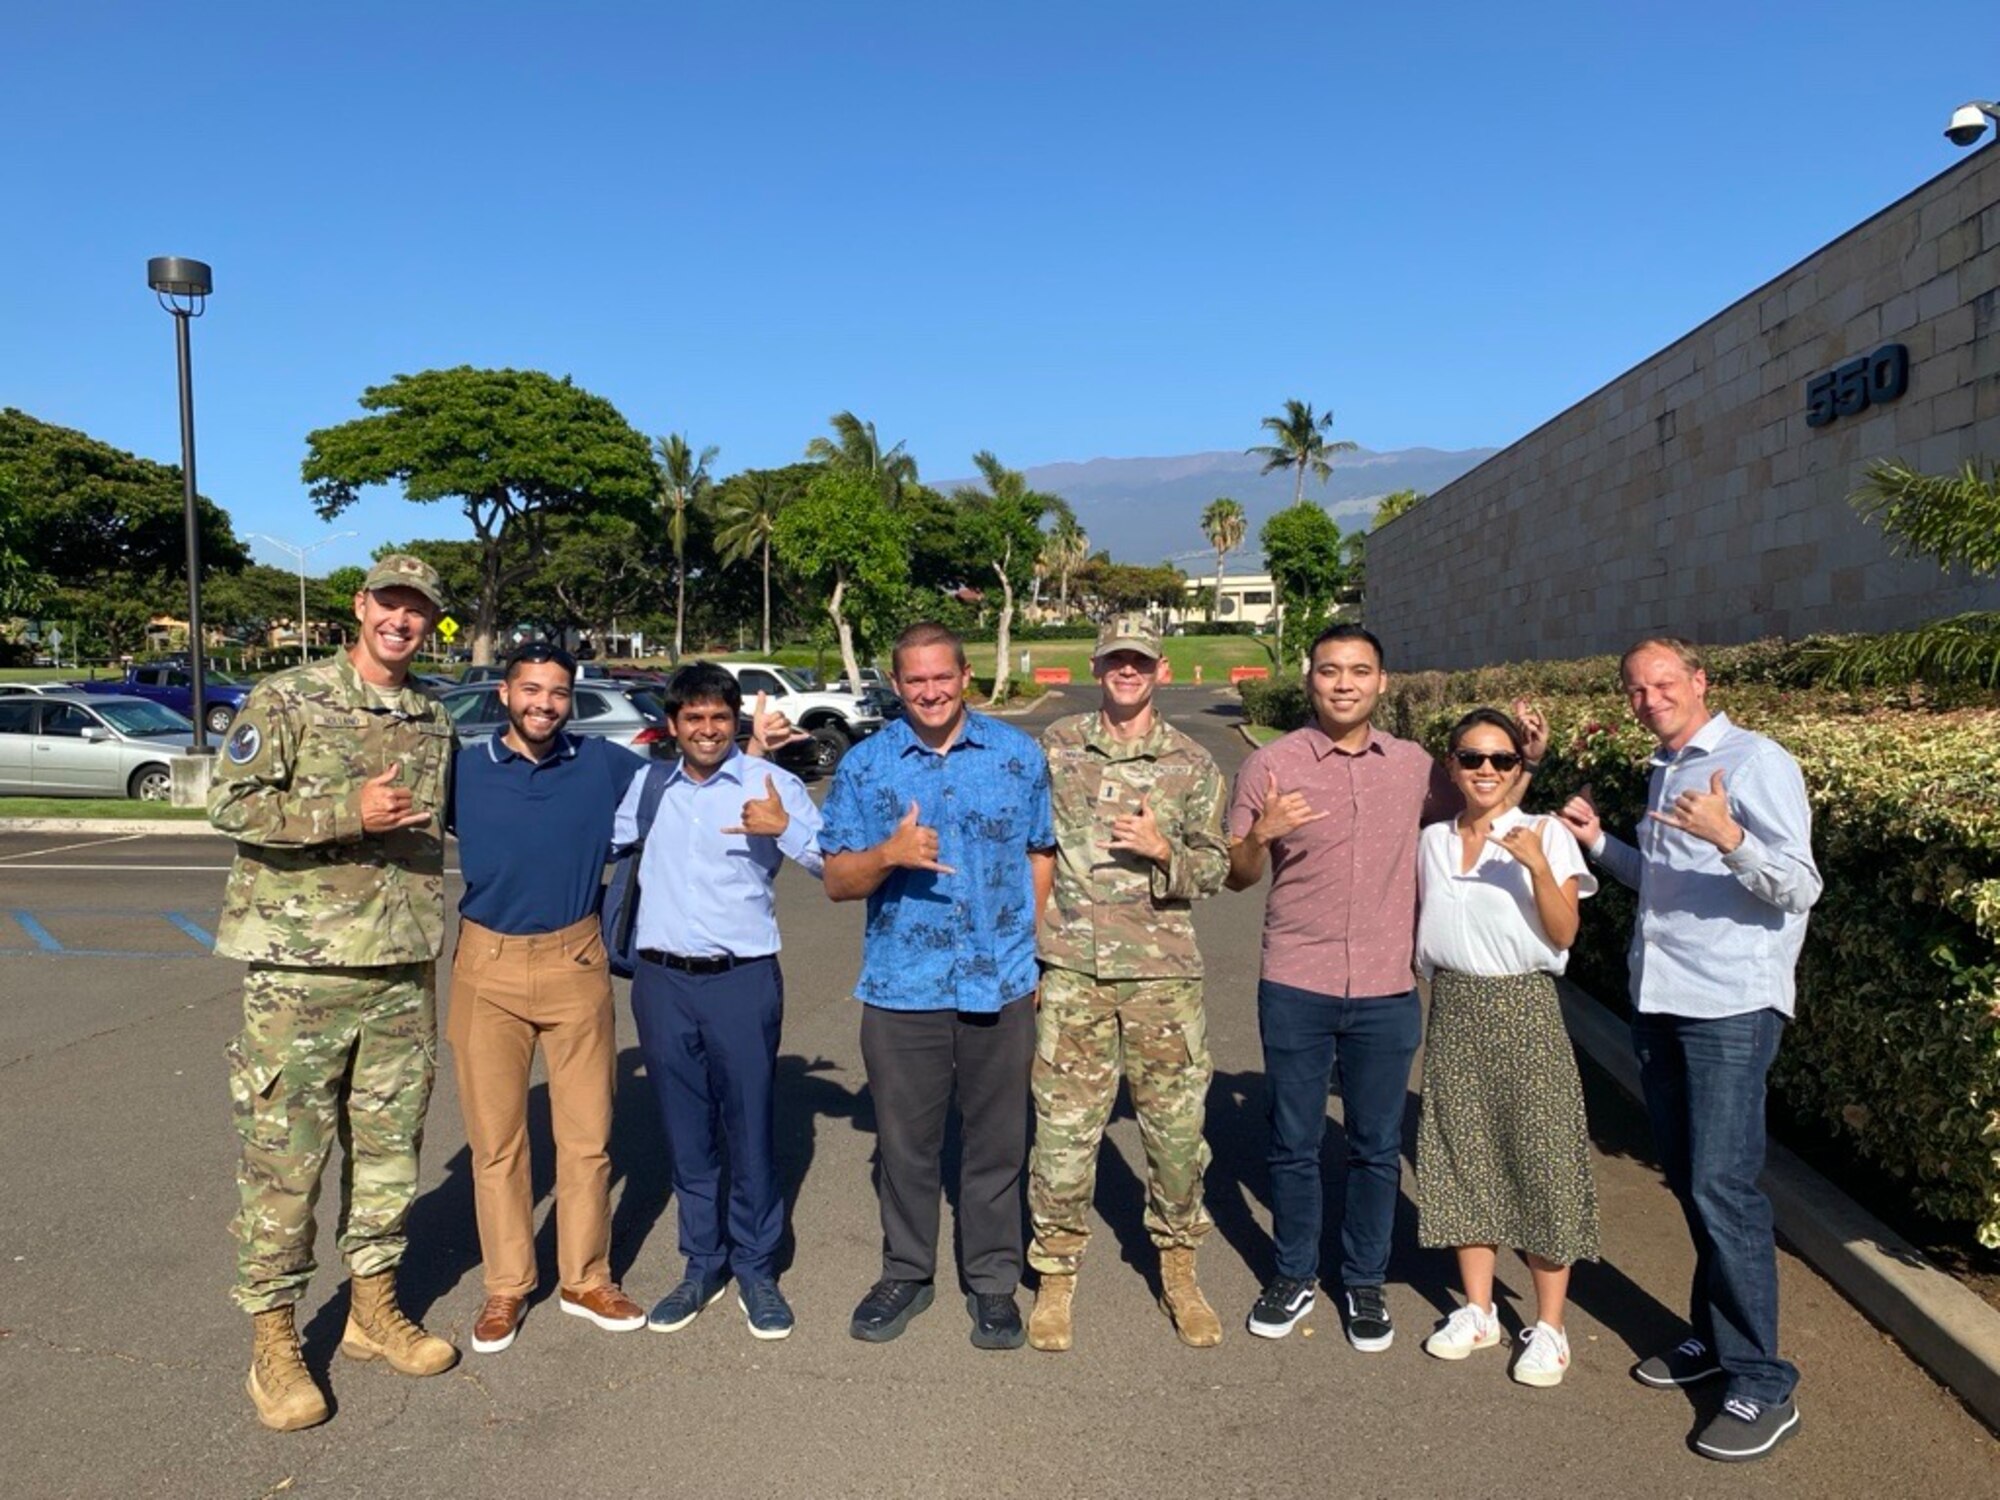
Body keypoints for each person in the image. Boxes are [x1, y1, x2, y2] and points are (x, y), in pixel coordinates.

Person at [1225, 624, 1545, 1351]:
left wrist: (1529, 757)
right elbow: (1238, 874)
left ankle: (1363, 1281)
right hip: (1296, 980)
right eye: (1331, 670)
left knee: (1374, 1145)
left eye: (1359, 671)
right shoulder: (1271, 765)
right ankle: (1295, 1273)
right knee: (1293, 1141)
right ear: (1310, 679)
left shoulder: (1413, 767)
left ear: (1381, 683)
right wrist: (1259, 835)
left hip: (1384, 985)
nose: (1344, 683)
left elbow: (1483, 801)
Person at [210, 553, 458, 1432]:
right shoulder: (287, 698)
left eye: (418, 610)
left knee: (390, 1153)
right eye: (390, 603)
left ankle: (371, 1310)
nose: (402, 620)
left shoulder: (434, 716)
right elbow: (229, 804)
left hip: (401, 967)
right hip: (301, 973)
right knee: (285, 1160)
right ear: (360, 606)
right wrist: (347, 811)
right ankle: (274, 1342)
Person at [1557, 637, 1820, 1462]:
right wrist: (1600, 843)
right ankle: (1713, 1336)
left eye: (1664, 683)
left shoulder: (1755, 762)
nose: (1650, 698)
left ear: (1700, 682)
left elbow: (1799, 884)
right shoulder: (1665, 768)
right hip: (1663, 999)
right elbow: (1666, 884)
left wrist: (1731, 836)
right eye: (1636, 689)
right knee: (1691, 1178)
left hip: (1731, 1005)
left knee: (1722, 1185)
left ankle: (1762, 1380)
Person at [821, 621, 1055, 1350]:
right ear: (896, 684)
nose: (929, 691)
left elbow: (1039, 853)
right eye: (914, 680)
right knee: (905, 1144)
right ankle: (907, 1271)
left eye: (941, 677)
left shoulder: (1019, 757)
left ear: (965, 677)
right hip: (902, 989)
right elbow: (835, 878)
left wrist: (1029, 951)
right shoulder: (866, 766)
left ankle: (992, 1281)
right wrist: (889, 854)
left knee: (996, 1142)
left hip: (1001, 983)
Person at [443, 641, 654, 1355]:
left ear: (572, 700)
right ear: (504, 694)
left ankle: (586, 1277)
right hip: (486, 964)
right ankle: (506, 1286)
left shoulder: (601, 764)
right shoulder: (463, 771)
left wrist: (754, 748)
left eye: (558, 693)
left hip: (575, 957)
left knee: (588, 1139)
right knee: (497, 1143)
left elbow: (687, 783)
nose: (543, 703)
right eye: (530, 689)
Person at [1026, 617, 1230, 1352]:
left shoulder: (1193, 764)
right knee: (1063, 1137)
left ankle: (1179, 1268)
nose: (1127, 671)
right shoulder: (1054, 749)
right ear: (1097, 664)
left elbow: (1218, 868)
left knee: (1176, 1138)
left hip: (1162, 979)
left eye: (1139, 662)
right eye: (1115, 660)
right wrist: (1031, 956)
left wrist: (1163, 848)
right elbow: (1028, 844)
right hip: (1073, 972)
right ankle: (1055, 1274)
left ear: (1160, 670)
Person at [616, 662, 823, 1342]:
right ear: (673, 726)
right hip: (663, 981)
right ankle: (701, 1264)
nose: (706, 730)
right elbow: (604, 852)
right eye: (692, 718)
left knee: (751, 1126)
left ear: (733, 721)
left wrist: (783, 824)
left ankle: (757, 1267)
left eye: (718, 717)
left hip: (743, 978)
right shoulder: (647, 787)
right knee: (686, 1128)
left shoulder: (773, 782)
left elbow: (831, 863)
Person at [1414, 708, 1598, 1387]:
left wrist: (1536, 868)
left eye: (1501, 760)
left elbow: (1564, 933)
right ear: (1452, 765)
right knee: (1463, 1151)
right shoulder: (1433, 838)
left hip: (1523, 1004)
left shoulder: (1545, 833)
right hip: (1456, 1006)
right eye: (1472, 758)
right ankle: (1480, 1310)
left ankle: (1550, 1327)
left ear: (1520, 769)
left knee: (1540, 1154)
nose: (1485, 770)